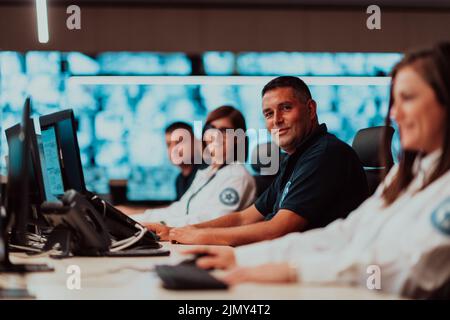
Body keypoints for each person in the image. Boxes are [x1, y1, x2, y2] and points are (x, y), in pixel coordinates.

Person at [183, 43, 450, 299]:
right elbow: (345, 234)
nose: (394, 115)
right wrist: (240, 257)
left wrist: (291, 270)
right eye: (394, 101)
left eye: (409, 98)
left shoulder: (325, 154)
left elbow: (410, 272)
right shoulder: (406, 174)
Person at [152, 76, 368, 245]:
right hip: (284, 255)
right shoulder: (293, 160)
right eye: (268, 113)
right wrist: (188, 231)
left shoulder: (325, 154)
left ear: (311, 109)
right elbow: (243, 218)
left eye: (286, 108)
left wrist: (200, 237)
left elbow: (278, 229)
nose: (276, 120)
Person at [132, 105, 256, 228]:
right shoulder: (206, 173)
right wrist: (132, 219)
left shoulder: (238, 176)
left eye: (224, 131)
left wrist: (160, 225)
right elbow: (179, 210)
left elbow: (212, 221)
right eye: (211, 128)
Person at [164, 122, 205, 200]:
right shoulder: (179, 180)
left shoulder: (206, 172)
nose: (173, 149)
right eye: (168, 144)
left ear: (195, 142)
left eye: (179, 142)